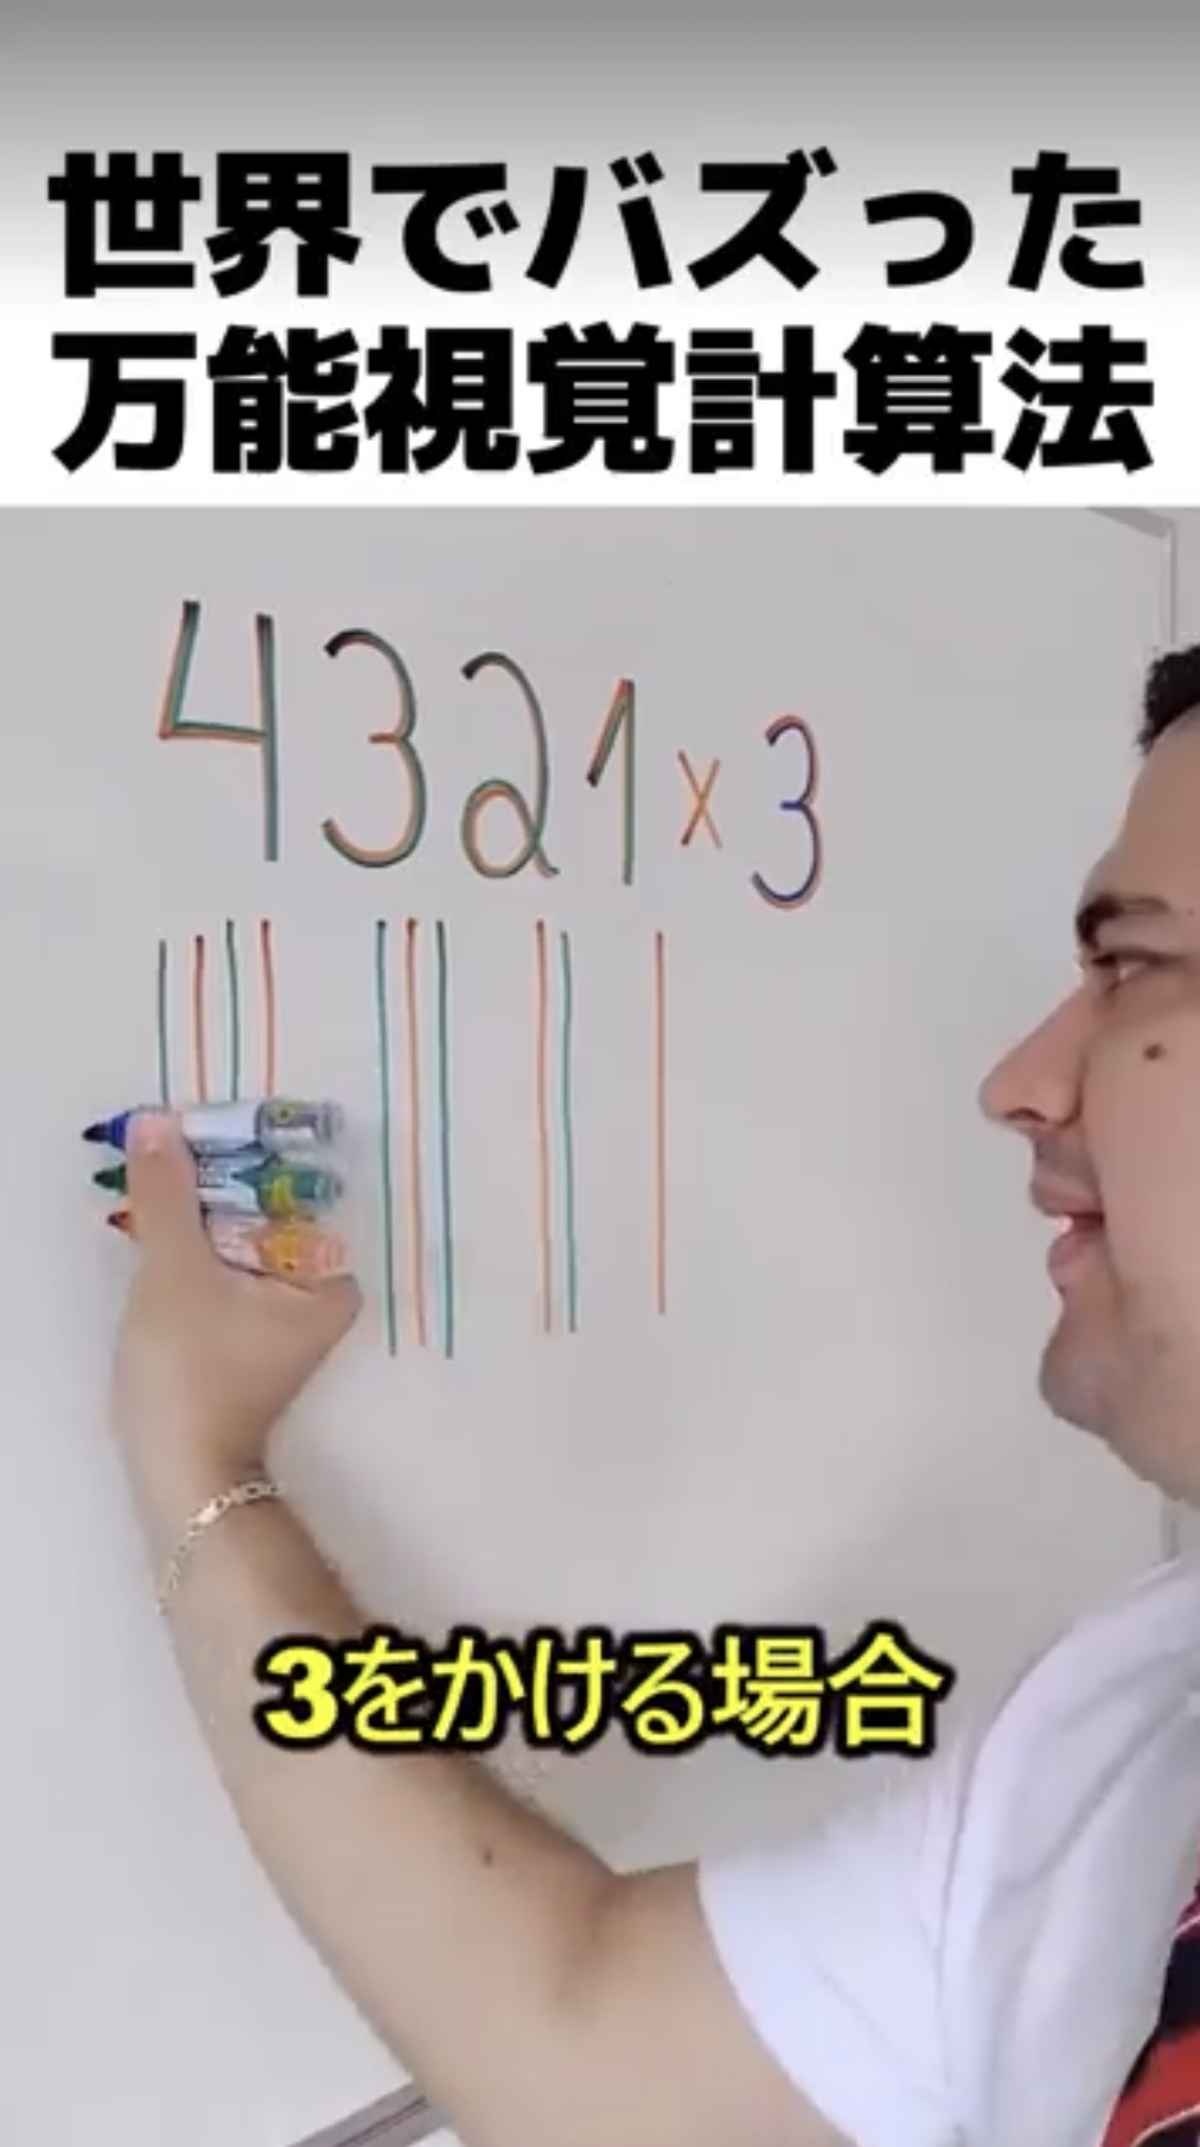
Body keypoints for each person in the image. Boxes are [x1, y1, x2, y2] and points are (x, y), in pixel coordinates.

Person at [112, 645, 1200, 2147]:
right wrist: (195, 1448)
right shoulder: (1127, 1729)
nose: (1018, 1079)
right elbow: (575, 2029)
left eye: (1132, 966)